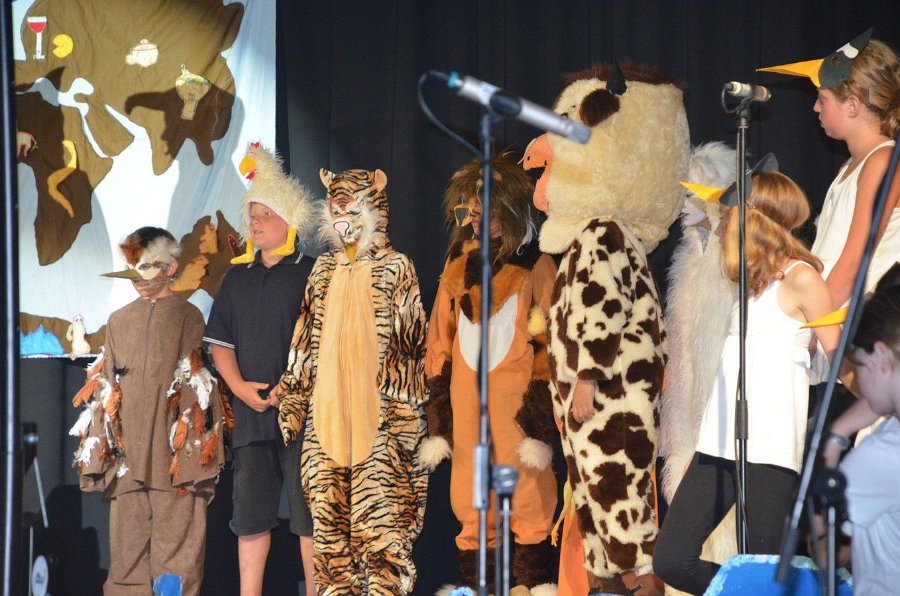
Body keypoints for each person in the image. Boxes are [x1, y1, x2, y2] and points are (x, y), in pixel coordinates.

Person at [653, 172, 842, 595]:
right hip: (718, 445)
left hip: (769, 449)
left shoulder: (803, 280)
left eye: (726, 217)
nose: (721, 228)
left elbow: (840, 362)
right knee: (672, 558)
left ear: (750, 220)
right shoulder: (750, 286)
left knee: (763, 568)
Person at [278, 167, 429, 594]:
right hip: (325, 425)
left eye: (352, 209)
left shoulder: (396, 267)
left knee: (383, 536)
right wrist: (294, 398)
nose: (343, 220)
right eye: (336, 210)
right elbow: (304, 338)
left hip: (377, 426)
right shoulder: (323, 270)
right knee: (329, 542)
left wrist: (404, 416)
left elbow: (410, 344)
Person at [421, 152, 558, 592]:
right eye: (471, 209)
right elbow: (439, 341)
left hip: (515, 418)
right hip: (468, 418)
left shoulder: (535, 266)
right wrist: (440, 410)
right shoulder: (457, 264)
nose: (476, 217)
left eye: (487, 209)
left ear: (511, 210)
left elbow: (551, 344)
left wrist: (538, 414)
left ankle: (532, 585)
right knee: (472, 504)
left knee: (528, 500)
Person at [70, 226, 227, 595]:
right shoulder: (119, 321)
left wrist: (188, 455)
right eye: (132, 267)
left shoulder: (187, 316)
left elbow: (194, 387)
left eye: (146, 266)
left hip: (173, 460)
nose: (137, 277)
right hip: (129, 461)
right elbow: (108, 386)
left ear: (170, 268)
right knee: (127, 556)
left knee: (176, 560)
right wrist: (104, 451)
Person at [203, 143, 317, 595]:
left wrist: (293, 387)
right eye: (252, 215)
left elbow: (325, 342)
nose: (255, 222)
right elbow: (220, 342)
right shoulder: (238, 277)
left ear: (289, 220)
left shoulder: (314, 273)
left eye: (266, 214)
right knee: (250, 519)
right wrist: (238, 388)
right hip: (252, 417)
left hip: (304, 417)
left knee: (310, 520)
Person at [818, 264, 900, 595]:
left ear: (880, 355)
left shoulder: (881, 454)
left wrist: (836, 435)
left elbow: (826, 552)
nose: (859, 382)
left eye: (860, 366)